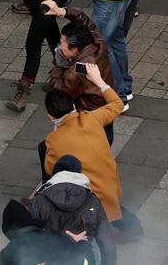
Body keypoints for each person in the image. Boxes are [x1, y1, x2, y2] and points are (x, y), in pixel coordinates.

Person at [40, 64, 124, 224]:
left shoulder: (54, 140)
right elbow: (117, 105)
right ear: (73, 106)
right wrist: (99, 81)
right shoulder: (91, 118)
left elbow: (52, 170)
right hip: (111, 191)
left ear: (50, 116)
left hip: (89, 203)